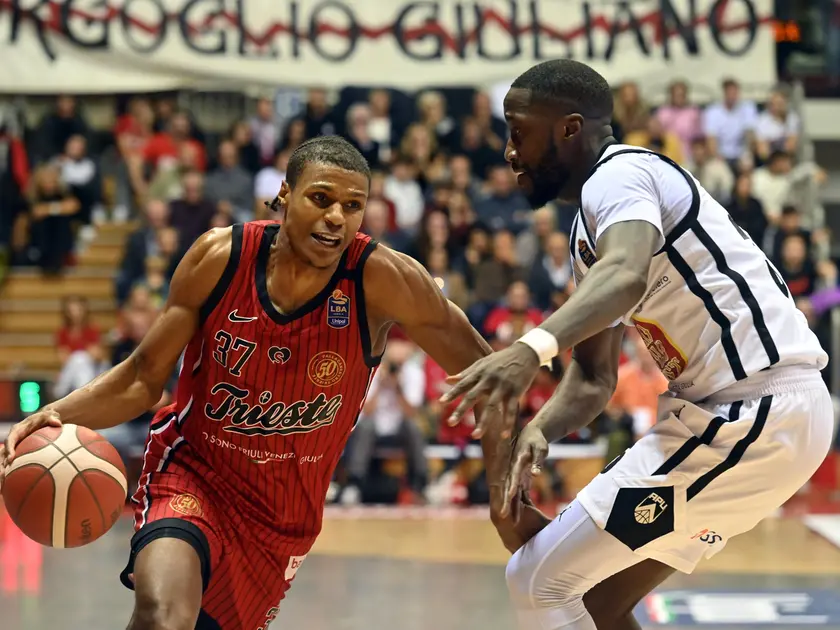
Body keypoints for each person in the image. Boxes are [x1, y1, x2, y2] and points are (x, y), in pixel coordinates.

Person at [0, 136, 516, 630]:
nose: (337, 217)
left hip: (282, 517)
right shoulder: (219, 258)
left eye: (353, 206)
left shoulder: (384, 279)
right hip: (195, 473)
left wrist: (501, 493)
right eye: (321, 198)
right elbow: (141, 377)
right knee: (162, 615)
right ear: (285, 197)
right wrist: (56, 413)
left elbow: (490, 375)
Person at [443, 59, 833, 630]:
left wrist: (528, 350)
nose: (508, 150)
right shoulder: (591, 226)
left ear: (570, 129)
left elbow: (626, 274)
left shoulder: (619, 176)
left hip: (751, 412)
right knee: (595, 600)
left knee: (536, 580)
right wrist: (540, 429)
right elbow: (593, 377)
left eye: (519, 131)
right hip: (753, 421)